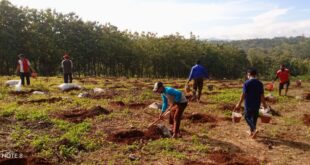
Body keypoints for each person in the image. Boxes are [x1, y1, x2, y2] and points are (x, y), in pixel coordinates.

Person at [235, 68, 267, 139]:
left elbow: (243, 94)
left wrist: (239, 104)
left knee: (246, 117)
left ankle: (254, 129)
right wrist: (264, 105)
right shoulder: (260, 83)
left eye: (247, 74)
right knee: (254, 117)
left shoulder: (247, 83)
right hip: (257, 103)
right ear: (255, 75)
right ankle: (252, 131)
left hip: (249, 103)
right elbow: (261, 95)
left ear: (248, 74)